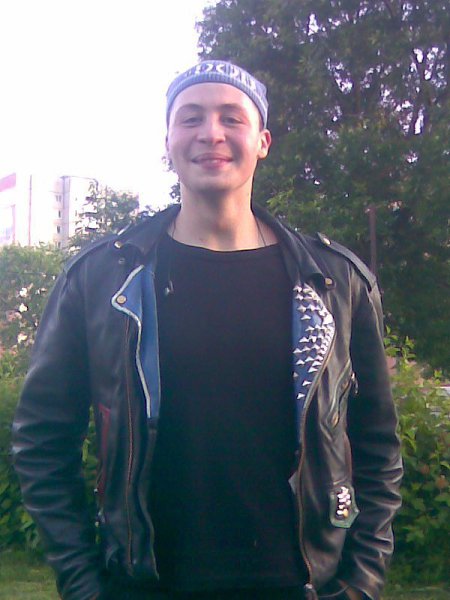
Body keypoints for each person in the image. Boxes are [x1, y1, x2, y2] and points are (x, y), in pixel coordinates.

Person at [12, 60, 402, 600]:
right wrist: (84, 583)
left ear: (262, 142)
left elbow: (378, 448)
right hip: (147, 588)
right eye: (191, 118)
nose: (210, 133)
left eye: (231, 118)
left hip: (301, 587)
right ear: (168, 143)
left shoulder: (335, 283)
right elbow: (41, 441)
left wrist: (361, 583)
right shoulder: (101, 280)